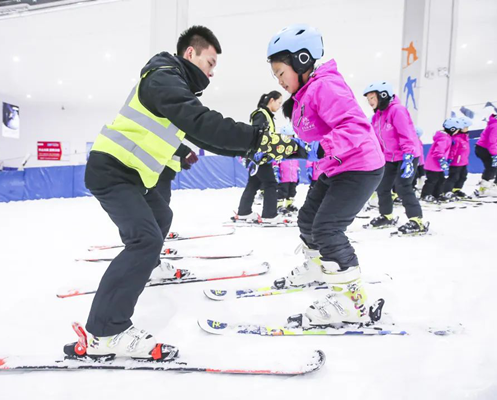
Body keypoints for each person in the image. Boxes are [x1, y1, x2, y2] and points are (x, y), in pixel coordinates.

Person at [80, 26, 298, 360]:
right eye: (210, 63)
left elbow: (203, 135)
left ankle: (148, 266)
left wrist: (245, 148)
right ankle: (104, 332)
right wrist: (257, 139)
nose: (211, 72)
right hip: (112, 171)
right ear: (190, 54)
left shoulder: (173, 84)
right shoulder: (162, 77)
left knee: (161, 217)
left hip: (133, 175)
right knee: (144, 238)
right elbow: (200, 122)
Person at [267, 24, 385, 327]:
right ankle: (320, 268)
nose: (279, 81)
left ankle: (353, 302)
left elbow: (353, 128)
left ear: (302, 60)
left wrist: (320, 146)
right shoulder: (306, 93)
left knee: (328, 229)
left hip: (359, 166)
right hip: (337, 166)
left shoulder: (325, 86)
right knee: (307, 220)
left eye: (281, 72)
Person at [363, 81, 426, 235]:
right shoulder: (377, 117)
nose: (370, 102)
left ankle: (416, 220)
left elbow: (407, 135)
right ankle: (386, 216)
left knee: (403, 186)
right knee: (382, 187)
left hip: (406, 155)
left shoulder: (397, 110)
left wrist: (409, 157)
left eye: (373, 97)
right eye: (368, 99)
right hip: (389, 158)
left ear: (383, 95)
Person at [236, 91, 284, 223]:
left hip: (260, 156)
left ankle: (243, 212)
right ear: (272, 100)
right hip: (260, 157)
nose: (280, 106)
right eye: (279, 102)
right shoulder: (261, 115)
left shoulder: (266, 115)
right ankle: (270, 215)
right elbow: (258, 134)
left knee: (254, 183)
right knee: (270, 183)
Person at [420, 118, 463, 201]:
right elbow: (438, 151)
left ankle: (437, 194)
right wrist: (442, 161)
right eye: (457, 130)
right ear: (452, 129)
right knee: (432, 181)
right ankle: (425, 195)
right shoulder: (444, 138)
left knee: (441, 180)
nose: (457, 132)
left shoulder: (446, 137)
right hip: (433, 165)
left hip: (437, 166)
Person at [442, 117, 472, 198]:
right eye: (466, 127)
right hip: (456, 162)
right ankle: (447, 191)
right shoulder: (457, 138)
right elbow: (453, 150)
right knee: (454, 177)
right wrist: (450, 159)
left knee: (463, 176)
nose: (467, 129)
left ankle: (456, 190)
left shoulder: (464, 137)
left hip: (463, 161)